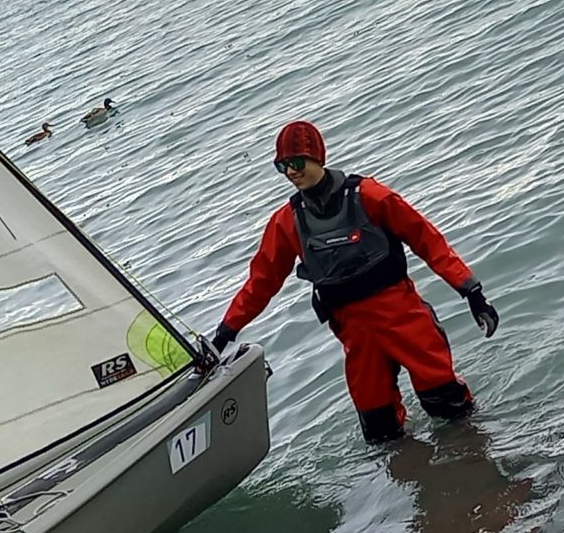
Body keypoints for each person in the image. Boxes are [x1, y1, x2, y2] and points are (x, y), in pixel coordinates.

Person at [210, 121, 499, 443]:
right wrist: (225, 333)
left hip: (406, 322)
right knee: (380, 433)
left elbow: (429, 242)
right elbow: (261, 283)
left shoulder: (370, 196)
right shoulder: (287, 222)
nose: (290, 172)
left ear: (317, 157)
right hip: (357, 340)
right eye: (282, 166)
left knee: (451, 409)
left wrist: (472, 292)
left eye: (296, 162)